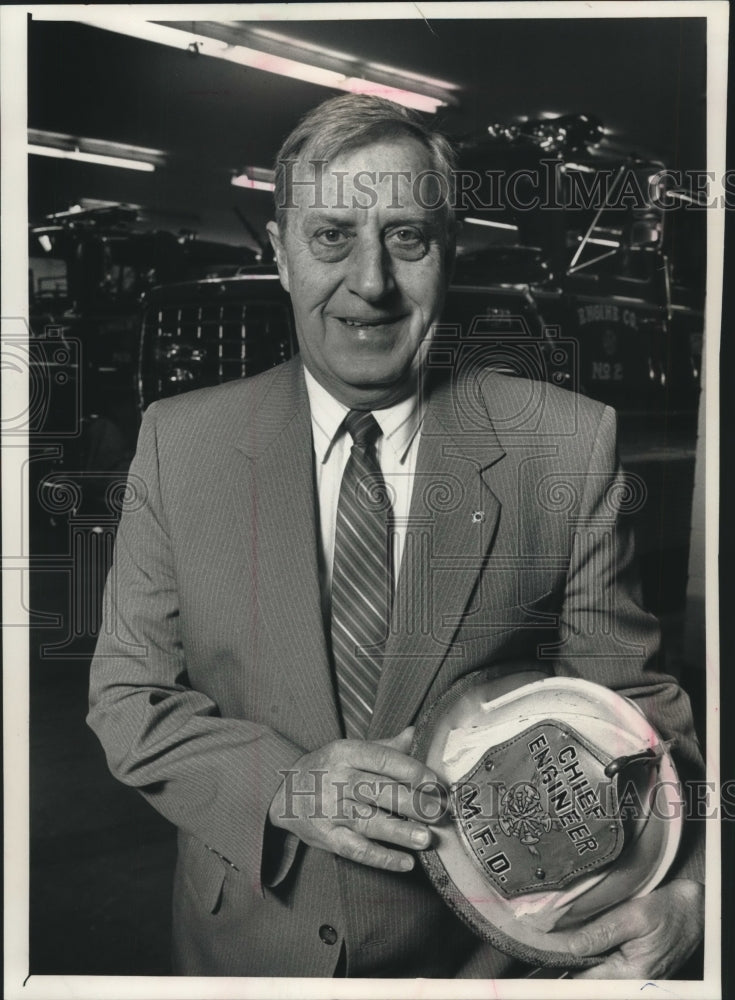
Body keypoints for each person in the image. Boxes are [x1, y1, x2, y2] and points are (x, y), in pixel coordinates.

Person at [88, 94, 704, 979]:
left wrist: (691, 889)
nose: (370, 282)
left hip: (480, 965)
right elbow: (127, 697)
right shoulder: (178, 442)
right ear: (280, 251)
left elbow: (637, 714)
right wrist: (286, 787)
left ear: (448, 249)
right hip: (242, 954)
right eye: (331, 235)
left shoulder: (563, 444)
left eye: (406, 237)